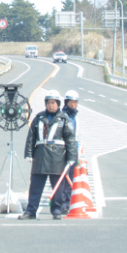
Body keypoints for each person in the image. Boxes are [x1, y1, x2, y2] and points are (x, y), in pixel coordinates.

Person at [19, 90, 77, 220]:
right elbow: (31, 137)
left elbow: (70, 140)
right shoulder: (39, 118)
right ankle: (31, 211)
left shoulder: (64, 119)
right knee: (35, 187)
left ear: (58, 104)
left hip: (57, 159)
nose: (50, 105)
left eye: (53, 103)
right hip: (40, 157)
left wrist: (71, 158)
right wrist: (29, 153)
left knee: (58, 188)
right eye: (48, 103)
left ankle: (57, 210)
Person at [60, 90, 80, 214]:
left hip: (73, 149)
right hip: (63, 149)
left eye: (75, 102)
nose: (73, 105)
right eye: (71, 102)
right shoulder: (62, 116)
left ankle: (68, 202)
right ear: (66, 103)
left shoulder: (74, 116)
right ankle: (63, 203)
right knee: (63, 177)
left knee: (71, 177)